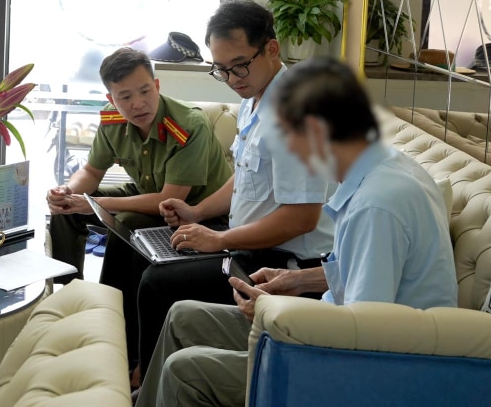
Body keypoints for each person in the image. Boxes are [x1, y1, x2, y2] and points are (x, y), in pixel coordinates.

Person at [137, 56, 458, 407]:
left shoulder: (377, 204)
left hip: (377, 369)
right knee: (183, 315)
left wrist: (278, 312)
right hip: (341, 333)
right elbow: (370, 271)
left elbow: (363, 335)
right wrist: (299, 282)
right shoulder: (388, 169)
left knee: (186, 370)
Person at [135, 0, 335, 383]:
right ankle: (143, 375)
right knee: (146, 252)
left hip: (285, 267)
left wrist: (219, 238)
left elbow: (302, 216)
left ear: (272, 49)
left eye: (240, 65)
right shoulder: (254, 96)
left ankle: (152, 382)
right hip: (247, 247)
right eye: (221, 70)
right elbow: (244, 178)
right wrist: (198, 213)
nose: (232, 78)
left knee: (157, 283)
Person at [46, 47, 231, 364]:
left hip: (195, 212)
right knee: (64, 213)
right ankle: (71, 304)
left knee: (126, 219)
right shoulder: (112, 119)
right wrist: (67, 192)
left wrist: (94, 203)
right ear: (112, 98)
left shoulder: (188, 125)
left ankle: (122, 337)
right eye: (125, 97)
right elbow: (91, 172)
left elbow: (167, 199)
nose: (138, 104)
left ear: (157, 86)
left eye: (145, 91)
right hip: (146, 190)